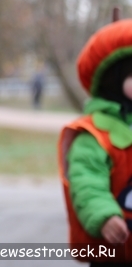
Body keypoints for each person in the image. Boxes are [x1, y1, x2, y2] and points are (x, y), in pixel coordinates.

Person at [60, 19, 132, 265]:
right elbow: (86, 181)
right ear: (114, 79)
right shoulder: (94, 135)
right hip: (116, 251)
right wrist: (103, 216)